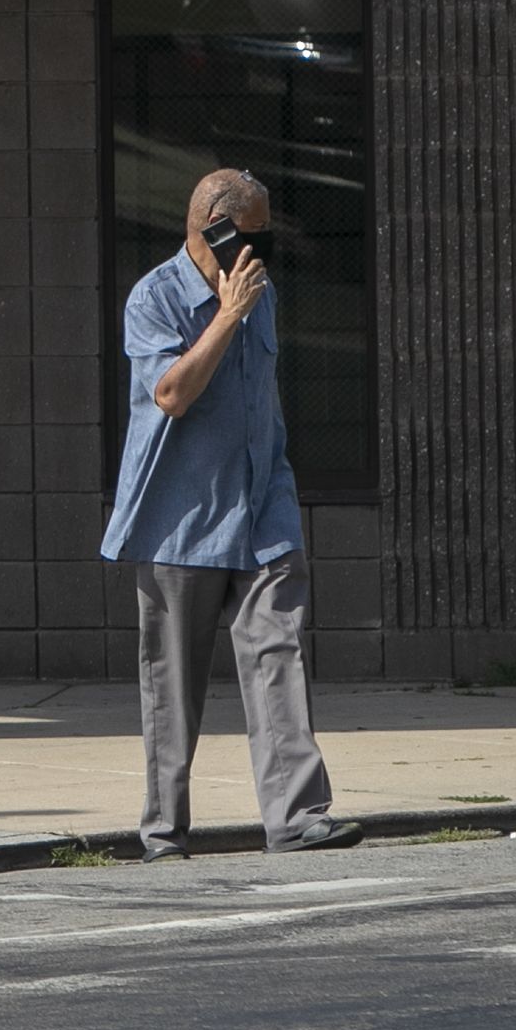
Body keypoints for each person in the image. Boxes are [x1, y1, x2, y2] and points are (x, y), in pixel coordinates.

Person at [101, 166, 360, 858]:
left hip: (262, 510)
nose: (263, 254)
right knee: (173, 687)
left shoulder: (259, 294)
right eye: (252, 237)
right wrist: (227, 316)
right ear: (212, 228)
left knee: (281, 655)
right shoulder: (153, 298)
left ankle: (299, 818)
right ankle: (163, 831)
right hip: (180, 518)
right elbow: (171, 395)